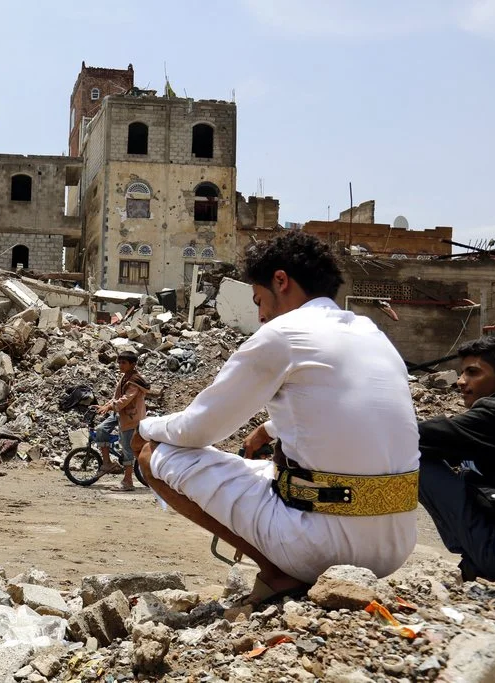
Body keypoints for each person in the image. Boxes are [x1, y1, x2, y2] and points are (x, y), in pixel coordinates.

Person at [135, 232, 420, 604]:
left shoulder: (281, 335)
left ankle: (277, 573)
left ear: (280, 281)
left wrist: (144, 427)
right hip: (396, 544)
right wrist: (268, 430)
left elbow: (198, 429)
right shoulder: (373, 333)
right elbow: (338, 410)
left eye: (258, 300)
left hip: (321, 547)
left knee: (154, 456)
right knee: (270, 470)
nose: (260, 315)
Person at [417, 335, 495, 580]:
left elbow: (415, 437)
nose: (461, 382)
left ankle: (483, 560)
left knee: (412, 458)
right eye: (462, 373)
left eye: (473, 373)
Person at [94, 349, 149, 491]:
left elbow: (125, 400)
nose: (120, 365)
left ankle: (128, 481)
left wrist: (111, 407)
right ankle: (107, 463)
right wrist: (105, 406)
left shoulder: (135, 381)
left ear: (133, 364)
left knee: (127, 448)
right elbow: (117, 397)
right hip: (120, 413)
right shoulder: (124, 377)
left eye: (123, 362)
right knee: (101, 430)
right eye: (119, 362)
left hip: (131, 417)